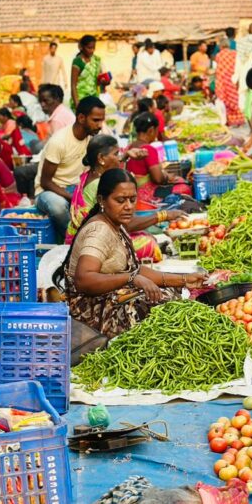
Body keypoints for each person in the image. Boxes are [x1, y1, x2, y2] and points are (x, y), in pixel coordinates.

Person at [53, 169, 204, 339]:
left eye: (132, 200)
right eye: (120, 200)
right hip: (91, 313)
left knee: (169, 292)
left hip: (111, 297)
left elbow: (135, 269)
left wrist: (184, 279)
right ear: (102, 200)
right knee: (162, 308)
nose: (128, 206)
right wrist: (130, 279)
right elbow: (84, 280)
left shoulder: (116, 224)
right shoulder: (99, 231)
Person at [66, 134, 177, 261]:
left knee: (144, 235)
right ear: (101, 158)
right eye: (116, 154)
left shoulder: (88, 175)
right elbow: (126, 225)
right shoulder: (99, 184)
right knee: (149, 243)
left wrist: (126, 156)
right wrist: (163, 215)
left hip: (81, 238)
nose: (119, 159)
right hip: (89, 245)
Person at [34, 95, 107, 239]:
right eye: (96, 120)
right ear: (81, 118)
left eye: (101, 120)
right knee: (58, 207)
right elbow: (45, 182)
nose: (100, 125)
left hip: (75, 188)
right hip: (48, 191)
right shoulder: (59, 142)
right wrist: (73, 197)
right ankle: (75, 241)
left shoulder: (92, 138)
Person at [125, 112, 190, 210]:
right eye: (157, 130)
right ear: (151, 130)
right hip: (145, 195)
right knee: (184, 187)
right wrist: (167, 177)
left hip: (135, 190)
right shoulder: (148, 149)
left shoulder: (130, 146)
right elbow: (158, 179)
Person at [213, 35, 244, 126]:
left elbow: (218, 69)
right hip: (232, 80)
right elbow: (238, 67)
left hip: (222, 82)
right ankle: (237, 120)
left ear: (220, 46)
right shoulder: (234, 53)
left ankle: (226, 121)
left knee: (223, 101)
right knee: (234, 100)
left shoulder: (219, 55)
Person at [71, 35, 102, 110]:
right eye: (89, 48)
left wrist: (104, 81)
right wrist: (77, 104)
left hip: (94, 98)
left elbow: (97, 81)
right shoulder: (78, 62)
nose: (92, 50)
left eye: (93, 48)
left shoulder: (96, 60)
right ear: (82, 47)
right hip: (81, 99)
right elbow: (73, 85)